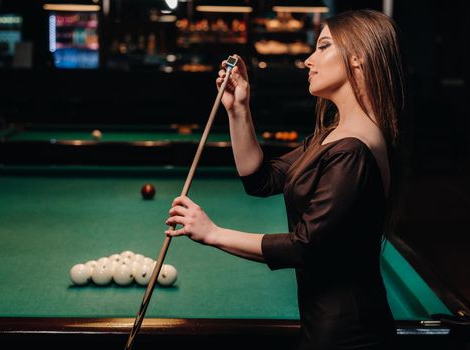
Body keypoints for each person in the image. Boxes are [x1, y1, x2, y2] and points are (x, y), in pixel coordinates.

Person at [165, 9, 406, 350]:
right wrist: (238, 109)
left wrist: (214, 233)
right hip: (325, 325)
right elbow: (261, 180)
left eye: (323, 47)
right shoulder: (333, 136)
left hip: (348, 335)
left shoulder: (354, 149)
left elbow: (305, 246)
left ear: (358, 59)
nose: (309, 60)